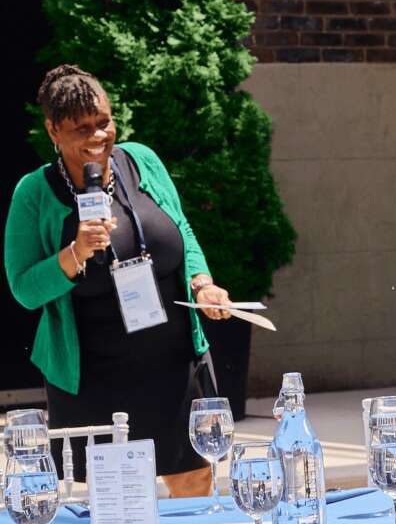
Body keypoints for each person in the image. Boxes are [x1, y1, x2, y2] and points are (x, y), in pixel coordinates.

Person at [4, 65, 233, 495]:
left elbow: (181, 229)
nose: (98, 136)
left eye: (104, 122)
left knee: (194, 477)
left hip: (174, 363)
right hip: (95, 378)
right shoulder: (34, 193)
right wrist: (74, 254)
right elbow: (24, 288)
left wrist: (203, 282)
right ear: (53, 130)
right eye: (82, 128)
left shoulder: (142, 160)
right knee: (118, 501)